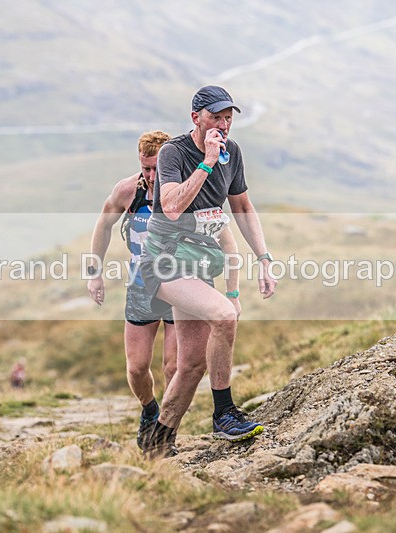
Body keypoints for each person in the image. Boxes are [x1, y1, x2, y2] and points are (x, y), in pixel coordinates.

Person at [140, 86, 278, 457]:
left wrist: (264, 259)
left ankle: (156, 441)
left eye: (228, 118)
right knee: (224, 315)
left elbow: (243, 209)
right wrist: (206, 163)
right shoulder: (174, 152)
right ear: (195, 118)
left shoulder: (233, 154)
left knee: (192, 364)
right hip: (164, 261)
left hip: (199, 263)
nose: (223, 124)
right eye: (216, 117)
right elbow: (170, 207)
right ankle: (224, 414)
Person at [86, 130, 242, 449]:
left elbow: (226, 237)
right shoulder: (128, 191)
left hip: (180, 280)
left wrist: (233, 291)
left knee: (176, 364)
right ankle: (149, 409)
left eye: (158, 168)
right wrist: (94, 273)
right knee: (137, 367)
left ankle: (166, 434)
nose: (152, 175)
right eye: (146, 168)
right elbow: (103, 225)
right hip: (142, 283)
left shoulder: (189, 192)